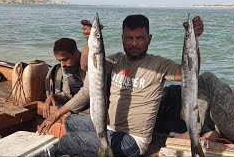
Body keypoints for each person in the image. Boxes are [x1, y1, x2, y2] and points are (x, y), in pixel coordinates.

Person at [46, 14, 204, 156]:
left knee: (68, 141)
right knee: (70, 121)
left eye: (140, 38)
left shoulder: (158, 64)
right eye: (129, 38)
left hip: (133, 141)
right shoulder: (116, 60)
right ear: (122, 38)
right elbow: (87, 66)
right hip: (110, 128)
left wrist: (194, 39)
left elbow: (189, 71)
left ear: (149, 38)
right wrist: (90, 40)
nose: (134, 43)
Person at [42, 38, 86, 118]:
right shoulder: (66, 67)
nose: (62, 65)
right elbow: (67, 94)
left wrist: (58, 113)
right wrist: (55, 97)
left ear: (76, 54)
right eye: (59, 61)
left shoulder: (88, 65)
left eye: (65, 60)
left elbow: (87, 93)